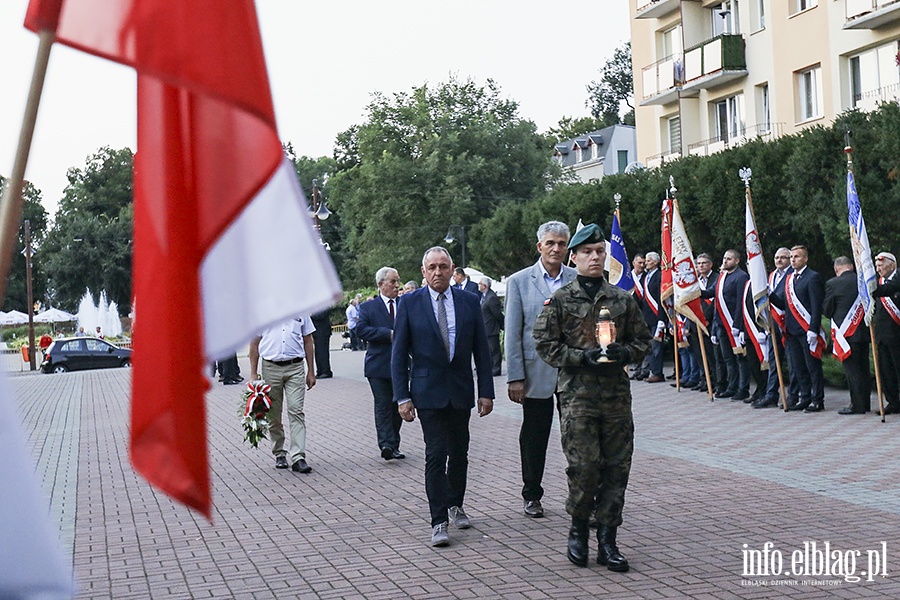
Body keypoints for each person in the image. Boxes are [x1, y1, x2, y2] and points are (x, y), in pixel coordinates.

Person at [533, 223, 650, 570]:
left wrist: (624, 354)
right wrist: (578, 357)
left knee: (616, 469)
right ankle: (579, 530)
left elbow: (642, 341)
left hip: (615, 397)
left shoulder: (621, 299)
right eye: (587, 252)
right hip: (578, 397)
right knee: (584, 468)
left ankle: (608, 541)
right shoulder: (560, 299)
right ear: (575, 257)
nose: (595, 257)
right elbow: (544, 343)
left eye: (600, 251)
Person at [392, 246, 494, 547]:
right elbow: (398, 356)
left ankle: (455, 503)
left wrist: (486, 392)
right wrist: (402, 397)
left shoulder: (469, 301)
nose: (438, 272)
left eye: (444, 266)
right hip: (427, 392)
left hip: (460, 390)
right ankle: (438, 521)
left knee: (460, 451)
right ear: (423, 272)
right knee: (436, 453)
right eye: (432, 267)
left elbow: (482, 351)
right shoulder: (410, 303)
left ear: (452, 270)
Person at [504, 220, 577, 518]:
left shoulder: (578, 277)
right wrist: (515, 377)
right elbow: (513, 333)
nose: (556, 248)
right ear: (540, 246)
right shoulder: (520, 281)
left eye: (561, 244)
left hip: (573, 373)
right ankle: (532, 493)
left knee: (577, 435)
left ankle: (580, 495)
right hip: (535, 375)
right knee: (535, 437)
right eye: (551, 243)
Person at [249, 316, 317, 473]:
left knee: (296, 410)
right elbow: (254, 344)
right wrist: (253, 373)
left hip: (295, 367)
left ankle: (298, 456)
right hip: (271, 368)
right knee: (273, 414)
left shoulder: (301, 311)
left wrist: (311, 371)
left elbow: (308, 340)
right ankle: (279, 452)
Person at [769, 245, 825, 412]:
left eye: (797, 257)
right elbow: (784, 304)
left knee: (812, 367)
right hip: (792, 331)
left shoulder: (812, 277)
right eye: (792, 257)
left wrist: (813, 330)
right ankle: (805, 397)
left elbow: (816, 306)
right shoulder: (789, 279)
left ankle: (817, 400)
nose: (793, 259)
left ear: (805, 259)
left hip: (807, 329)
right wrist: (768, 294)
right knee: (798, 368)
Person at [357, 267, 405, 460]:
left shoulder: (405, 304)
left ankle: (394, 443)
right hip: (378, 365)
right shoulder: (368, 307)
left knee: (398, 404)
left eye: (397, 281)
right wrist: (388, 334)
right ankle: (385, 444)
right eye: (392, 281)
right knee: (383, 404)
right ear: (380, 284)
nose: (396, 285)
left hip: (401, 365)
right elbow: (361, 330)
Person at [823, 256, 871, 415]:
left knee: (852, 372)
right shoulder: (863, 280)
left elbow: (827, 310)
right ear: (851, 266)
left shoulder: (832, 284)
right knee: (863, 369)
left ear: (837, 269)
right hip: (863, 332)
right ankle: (865, 403)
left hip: (846, 335)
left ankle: (857, 405)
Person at [701, 249, 750, 400]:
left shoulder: (741, 277)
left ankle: (743, 388)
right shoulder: (722, 277)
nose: (725, 261)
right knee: (727, 358)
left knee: (740, 358)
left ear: (736, 261)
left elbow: (740, 303)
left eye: (729, 259)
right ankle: (732, 386)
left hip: (735, 324)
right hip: (721, 324)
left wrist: (738, 325)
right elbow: (712, 294)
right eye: (724, 258)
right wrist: (691, 289)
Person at [752, 248, 795, 409]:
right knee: (773, 360)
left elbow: (784, 300)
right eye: (776, 257)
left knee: (791, 362)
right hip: (773, 324)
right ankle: (771, 394)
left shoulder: (792, 275)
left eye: (783, 257)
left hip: (789, 324)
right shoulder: (771, 276)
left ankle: (793, 395)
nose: (779, 260)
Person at [872, 251, 900, 415]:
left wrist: (868, 287)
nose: (878, 269)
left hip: (897, 333)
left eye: (881, 265)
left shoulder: (897, 277)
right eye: (876, 266)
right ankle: (893, 402)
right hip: (883, 335)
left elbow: (890, 289)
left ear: (892, 264)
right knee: (886, 371)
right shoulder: (879, 282)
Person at [638, 251, 666, 383]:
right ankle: (649, 370)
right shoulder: (646, 276)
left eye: (648, 261)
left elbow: (661, 300)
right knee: (648, 346)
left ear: (655, 262)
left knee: (656, 347)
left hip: (656, 317)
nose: (645, 263)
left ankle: (657, 373)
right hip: (647, 317)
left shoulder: (659, 276)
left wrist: (662, 319)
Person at [478, 277, 504, 376]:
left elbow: (497, 314)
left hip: (491, 328)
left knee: (494, 350)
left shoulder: (491, 297)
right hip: (486, 327)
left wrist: (502, 325)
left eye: (480, 283)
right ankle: (491, 367)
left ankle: (496, 369)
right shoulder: (484, 296)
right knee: (489, 350)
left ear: (485, 286)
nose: (478, 285)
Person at [310, 309, 334, 378]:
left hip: (322, 331)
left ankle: (326, 371)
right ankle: (320, 370)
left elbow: (321, 315)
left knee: (323, 352)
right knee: (318, 352)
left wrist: (310, 315)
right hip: (317, 331)